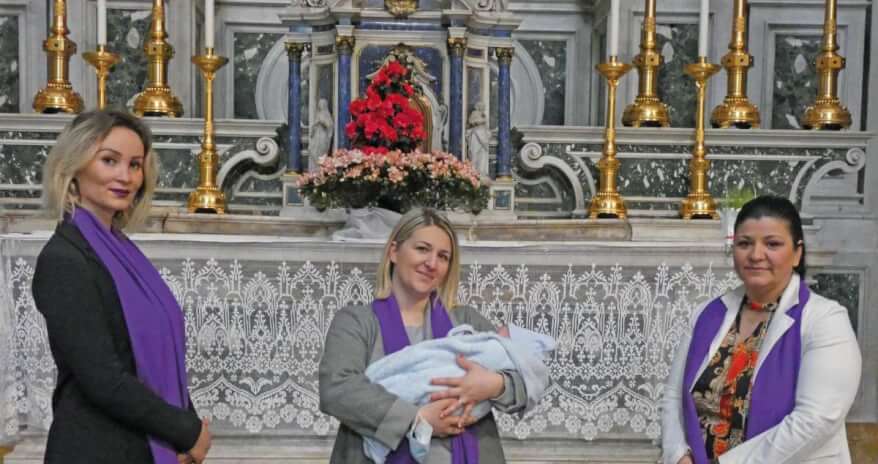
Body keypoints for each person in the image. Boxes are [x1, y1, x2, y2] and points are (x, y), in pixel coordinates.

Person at [32, 110, 212, 464]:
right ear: (74, 165)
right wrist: (186, 431)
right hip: (95, 450)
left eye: (135, 165)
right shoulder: (64, 259)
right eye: (109, 160)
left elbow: (157, 358)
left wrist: (184, 431)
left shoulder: (121, 250)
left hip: (138, 444)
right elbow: (102, 378)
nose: (125, 177)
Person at [319, 208, 534, 463]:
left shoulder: (466, 321)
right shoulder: (356, 321)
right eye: (422, 249)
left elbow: (528, 375)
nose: (432, 264)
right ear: (394, 252)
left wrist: (494, 385)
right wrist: (417, 419)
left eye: (443, 256)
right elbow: (338, 388)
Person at [661, 196, 861, 464]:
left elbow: (815, 421)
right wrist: (678, 456)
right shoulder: (708, 314)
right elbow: (674, 397)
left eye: (772, 244)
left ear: (797, 253)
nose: (755, 255)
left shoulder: (826, 320)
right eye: (744, 243)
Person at [465, 103, 490, 179]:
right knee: (474, 152)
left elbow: (486, 125)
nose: (483, 108)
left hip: (483, 134)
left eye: (483, 107)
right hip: (476, 135)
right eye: (482, 107)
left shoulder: (483, 115)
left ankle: (481, 171)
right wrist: (480, 121)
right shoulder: (474, 113)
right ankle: (473, 171)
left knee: (482, 154)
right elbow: (471, 121)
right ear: (478, 107)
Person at [309, 98, 334, 168]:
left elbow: (330, 126)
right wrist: (315, 125)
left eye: (322, 104)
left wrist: (323, 122)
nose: (320, 106)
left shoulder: (327, 115)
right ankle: (315, 167)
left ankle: (321, 167)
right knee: (314, 151)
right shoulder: (317, 115)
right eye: (319, 104)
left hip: (323, 137)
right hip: (316, 136)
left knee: (322, 153)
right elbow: (313, 127)